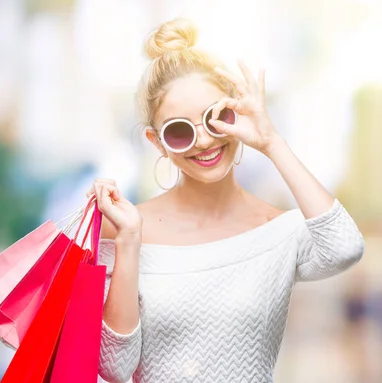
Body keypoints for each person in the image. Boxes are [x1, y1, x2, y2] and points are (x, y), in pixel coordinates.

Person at [87, 18, 365, 383]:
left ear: (236, 113)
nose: (202, 141)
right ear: (157, 143)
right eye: (180, 130)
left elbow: (345, 248)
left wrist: (271, 142)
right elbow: (115, 368)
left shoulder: (276, 230)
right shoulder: (128, 231)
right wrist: (128, 243)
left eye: (216, 118)